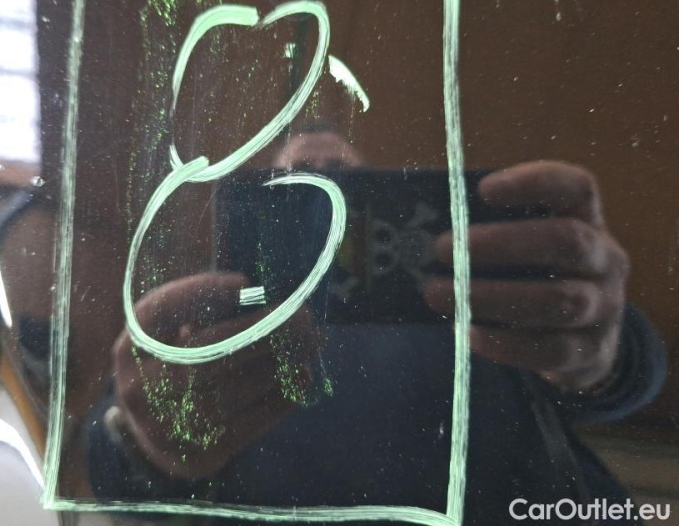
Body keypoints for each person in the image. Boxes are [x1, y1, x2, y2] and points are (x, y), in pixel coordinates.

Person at [85, 129, 666, 524]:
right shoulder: (217, 336)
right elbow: (115, 453)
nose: (327, 189)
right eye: (302, 176)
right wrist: (143, 445)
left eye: (343, 175)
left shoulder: (473, 297)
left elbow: (626, 377)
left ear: (384, 189)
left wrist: (605, 345)